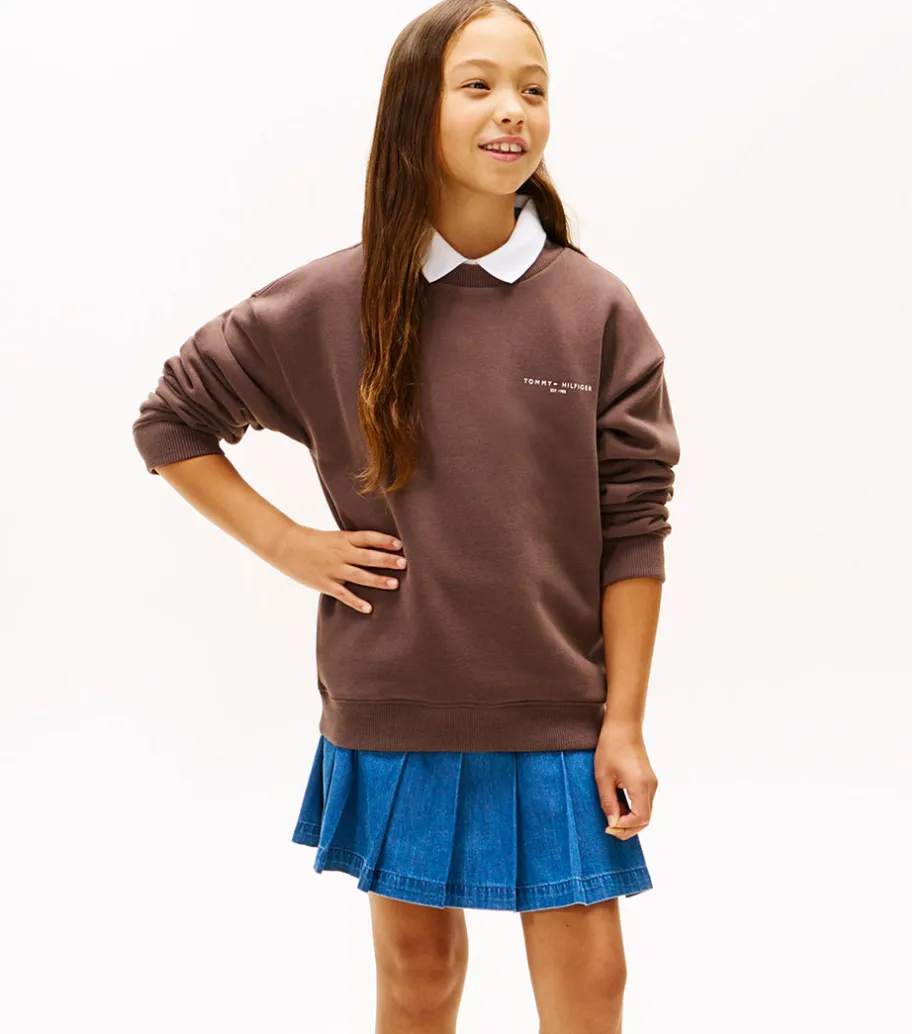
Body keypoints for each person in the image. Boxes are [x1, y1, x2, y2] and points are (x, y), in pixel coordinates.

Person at [131, 0, 681, 1029]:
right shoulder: (331, 300)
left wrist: (624, 722)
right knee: (417, 975)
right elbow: (171, 420)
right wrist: (289, 544)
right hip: (396, 699)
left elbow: (635, 526)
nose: (512, 109)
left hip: (559, 708)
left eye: (533, 88)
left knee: (592, 979)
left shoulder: (595, 307)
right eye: (478, 85)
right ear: (413, 112)